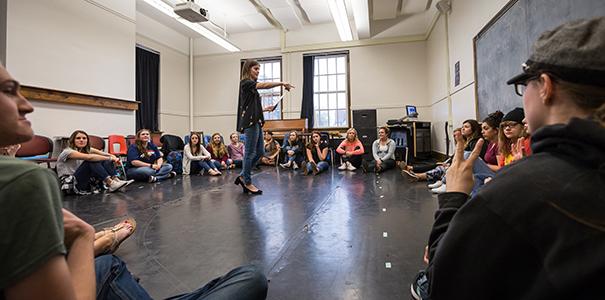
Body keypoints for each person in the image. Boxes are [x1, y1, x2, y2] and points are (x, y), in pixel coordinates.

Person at [0, 64, 268, 300]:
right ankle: (116, 201)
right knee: (253, 278)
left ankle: (115, 214)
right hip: (101, 197)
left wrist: (155, 162)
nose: (27, 104)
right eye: (9, 91)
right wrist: (83, 237)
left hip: (104, 261)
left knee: (159, 167)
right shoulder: (25, 179)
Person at [411, 17, 605, 299]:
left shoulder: (519, 192)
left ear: (546, 87)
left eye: (524, 85)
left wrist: (453, 198)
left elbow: (444, 278)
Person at [234, 59, 294, 194]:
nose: (258, 72)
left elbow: (252, 107)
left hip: (257, 121)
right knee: (249, 153)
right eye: (255, 69)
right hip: (250, 123)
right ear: (248, 69)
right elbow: (265, 85)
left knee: (260, 152)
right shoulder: (246, 83)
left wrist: (266, 109)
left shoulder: (251, 87)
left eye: (259, 69)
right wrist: (282, 83)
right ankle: (247, 181)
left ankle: (243, 175)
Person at [56, 130, 133, 194]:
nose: (81, 140)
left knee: (104, 160)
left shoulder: (86, 149)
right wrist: (109, 158)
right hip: (70, 184)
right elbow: (90, 157)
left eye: (84, 138)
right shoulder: (67, 152)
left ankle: (116, 180)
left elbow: (105, 154)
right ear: (73, 140)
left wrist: (114, 157)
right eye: (78, 138)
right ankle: (111, 183)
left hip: (83, 180)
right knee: (92, 160)